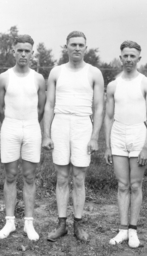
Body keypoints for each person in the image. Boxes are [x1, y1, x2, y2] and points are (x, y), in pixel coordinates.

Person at [42, 31, 104, 242]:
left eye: (81, 45)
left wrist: (95, 137)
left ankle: (78, 224)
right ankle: (61, 225)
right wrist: (46, 135)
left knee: (79, 178)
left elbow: (98, 107)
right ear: (66, 47)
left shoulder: (94, 73)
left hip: (82, 125)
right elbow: (49, 105)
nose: (77, 48)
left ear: (86, 48)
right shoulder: (56, 72)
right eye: (73, 44)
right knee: (61, 177)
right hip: (60, 123)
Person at [104, 41, 147, 248]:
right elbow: (108, 117)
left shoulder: (146, 83)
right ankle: (123, 229)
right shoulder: (113, 85)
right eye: (125, 56)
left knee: (135, 185)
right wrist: (108, 145)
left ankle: (133, 231)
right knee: (122, 185)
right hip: (118, 134)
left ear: (138, 59)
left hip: (138, 133)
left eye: (132, 56)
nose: (128, 59)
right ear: (120, 58)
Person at [0, 35, 46, 241]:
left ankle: (28, 223)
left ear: (32, 53)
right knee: (10, 175)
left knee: (30, 176)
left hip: (32, 126)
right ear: (14, 52)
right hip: (10, 126)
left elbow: (41, 108)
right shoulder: (4, 77)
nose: (23, 54)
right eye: (20, 50)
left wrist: (31, 123)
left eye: (27, 51)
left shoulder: (38, 78)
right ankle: (9, 222)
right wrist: (10, 123)